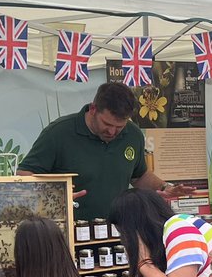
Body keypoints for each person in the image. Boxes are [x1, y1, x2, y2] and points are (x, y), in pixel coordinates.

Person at [16, 81, 187, 217]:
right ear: (93, 109)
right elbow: (24, 176)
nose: (112, 132)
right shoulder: (58, 133)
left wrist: (165, 187)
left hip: (117, 231)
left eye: (119, 126)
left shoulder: (133, 134)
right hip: (66, 232)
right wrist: (56, 195)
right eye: (107, 124)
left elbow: (139, 176)